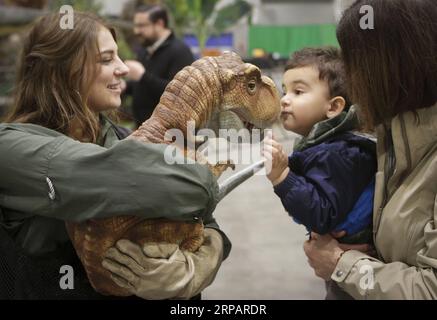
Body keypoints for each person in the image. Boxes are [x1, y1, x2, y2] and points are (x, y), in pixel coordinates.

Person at [0, 11, 230, 300]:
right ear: (61, 68)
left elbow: (205, 220)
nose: (123, 68)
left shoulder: (124, 139)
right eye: (106, 59)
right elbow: (186, 188)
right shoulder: (9, 148)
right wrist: (200, 175)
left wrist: (193, 269)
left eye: (118, 57)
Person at [303, 0, 437, 299]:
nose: (350, 78)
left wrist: (341, 264)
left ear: (393, 64)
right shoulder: (394, 137)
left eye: (353, 62)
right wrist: (366, 252)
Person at [262, 47, 377, 299]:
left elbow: (320, 215)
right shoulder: (328, 147)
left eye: (298, 92)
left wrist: (282, 177)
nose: (284, 99)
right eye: (284, 90)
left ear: (333, 107)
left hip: (353, 267)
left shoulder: (336, 153)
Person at [123, 4, 194, 126]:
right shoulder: (144, 50)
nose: (136, 31)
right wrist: (123, 86)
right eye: (136, 26)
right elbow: (142, 87)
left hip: (168, 133)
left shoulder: (180, 51)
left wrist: (143, 76)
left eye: (141, 26)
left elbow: (180, 94)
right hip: (142, 128)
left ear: (159, 24)